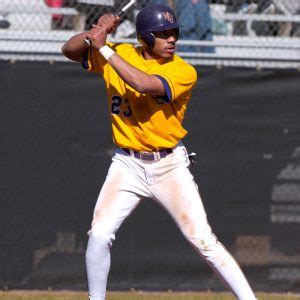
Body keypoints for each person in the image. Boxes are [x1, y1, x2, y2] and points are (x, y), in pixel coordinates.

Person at [61, 4, 257, 300]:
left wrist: (105, 50)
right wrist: (92, 34)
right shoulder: (121, 51)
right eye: (162, 34)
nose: (171, 39)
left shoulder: (182, 70)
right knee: (99, 235)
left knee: (203, 240)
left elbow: (143, 83)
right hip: (127, 164)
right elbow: (69, 50)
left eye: (173, 33)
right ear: (144, 38)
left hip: (169, 166)